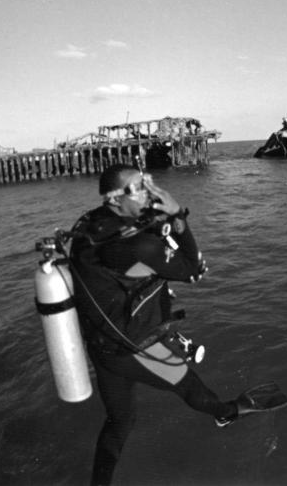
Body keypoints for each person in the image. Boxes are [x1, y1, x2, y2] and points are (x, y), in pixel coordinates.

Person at [68, 164, 239, 485]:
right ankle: (226, 415)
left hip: (102, 346)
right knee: (192, 387)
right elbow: (194, 269)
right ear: (115, 199)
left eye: (147, 182)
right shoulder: (136, 246)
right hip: (135, 349)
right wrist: (178, 216)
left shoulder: (91, 226)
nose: (147, 191)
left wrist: (152, 224)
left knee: (120, 420)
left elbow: (119, 256)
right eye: (138, 188)